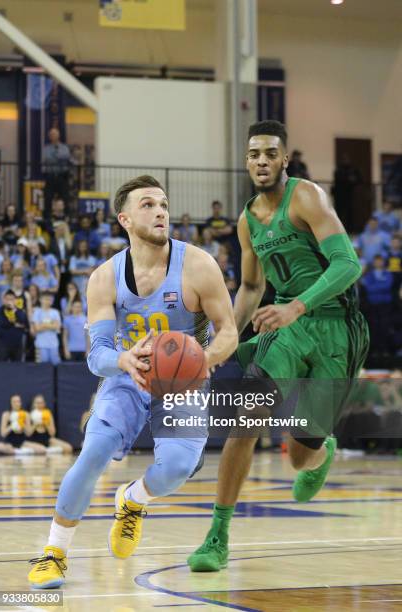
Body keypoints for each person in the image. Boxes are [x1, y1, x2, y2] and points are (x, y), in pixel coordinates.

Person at [28, 174, 238, 589]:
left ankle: (133, 499)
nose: (160, 210)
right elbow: (97, 353)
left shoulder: (198, 264)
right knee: (94, 453)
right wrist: (124, 359)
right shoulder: (104, 277)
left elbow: (228, 330)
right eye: (147, 204)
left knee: (177, 467)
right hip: (131, 375)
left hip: (184, 382)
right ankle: (54, 552)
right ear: (124, 218)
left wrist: (203, 360)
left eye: (163, 203)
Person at [187, 120, 369, 572]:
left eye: (270, 153)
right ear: (246, 161)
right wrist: (222, 338)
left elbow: (349, 264)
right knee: (245, 421)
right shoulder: (247, 220)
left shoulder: (307, 197)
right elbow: (250, 287)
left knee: (299, 455)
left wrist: (299, 307)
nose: (262, 161)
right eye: (254, 154)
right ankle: (217, 536)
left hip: (336, 328)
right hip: (285, 327)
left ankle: (319, 451)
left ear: (285, 159)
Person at [42, 128, 72, 219]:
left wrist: (55, 156)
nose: (53, 136)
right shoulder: (46, 148)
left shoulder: (64, 147)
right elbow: (46, 158)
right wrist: (59, 157)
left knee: (65, 198)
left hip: (62, 176)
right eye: (51, 135)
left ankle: (66, 217)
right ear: (49, 137)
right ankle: (47, 217)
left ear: (58, 136)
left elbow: (66, 156)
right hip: (50, 176)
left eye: (55, 134)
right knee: (48, 198)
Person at [0, 290, 28, 361]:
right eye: (7, 299)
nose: (9, 301)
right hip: (3, 344)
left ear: (15, 300)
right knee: (2, 366)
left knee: (17, 367)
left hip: (17, 344)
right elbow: (2, 323)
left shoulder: (19, 311)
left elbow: (23, 322)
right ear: (3, 300)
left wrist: (14, 309)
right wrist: (15, 323)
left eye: (12, 299)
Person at [31, 291, 61, 364]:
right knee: (43, 366)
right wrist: (51, 324)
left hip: (54, 344)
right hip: (41, 344)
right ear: (40, 299)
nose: (47, 301)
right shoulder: (36, 312)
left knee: (56, 365)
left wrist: (43, 324)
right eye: (45, 299)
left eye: (49, 299)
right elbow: (37, 328)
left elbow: (57, 327)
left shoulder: (55, 312)